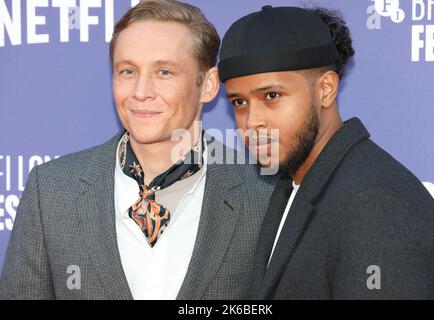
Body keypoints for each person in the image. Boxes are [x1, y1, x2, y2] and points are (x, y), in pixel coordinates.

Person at [0, 0, 275, 300]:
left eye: (164, 72)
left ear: (207, 85)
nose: (140, 92)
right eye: (128, 71)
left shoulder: (265, 193)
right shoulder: (51, 191)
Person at [218, 5, 434, 299]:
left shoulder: (375, 206)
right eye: (239, 103)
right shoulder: (295, 185)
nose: (252, 122)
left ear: (326, 90)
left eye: (271, 96)